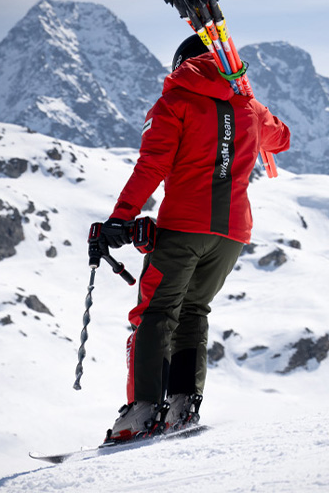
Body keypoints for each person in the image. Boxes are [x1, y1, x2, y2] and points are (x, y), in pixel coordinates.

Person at [97, 33, 290, 442]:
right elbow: (283, 138)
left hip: (183, 227)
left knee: (156, 312)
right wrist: (249, 104)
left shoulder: (175, 102)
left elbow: (151, 166)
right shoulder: (250, 108)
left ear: (181, 64)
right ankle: (184, 405)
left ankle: (143, 410)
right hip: (232, 234)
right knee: (194, 311)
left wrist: (121, 217)